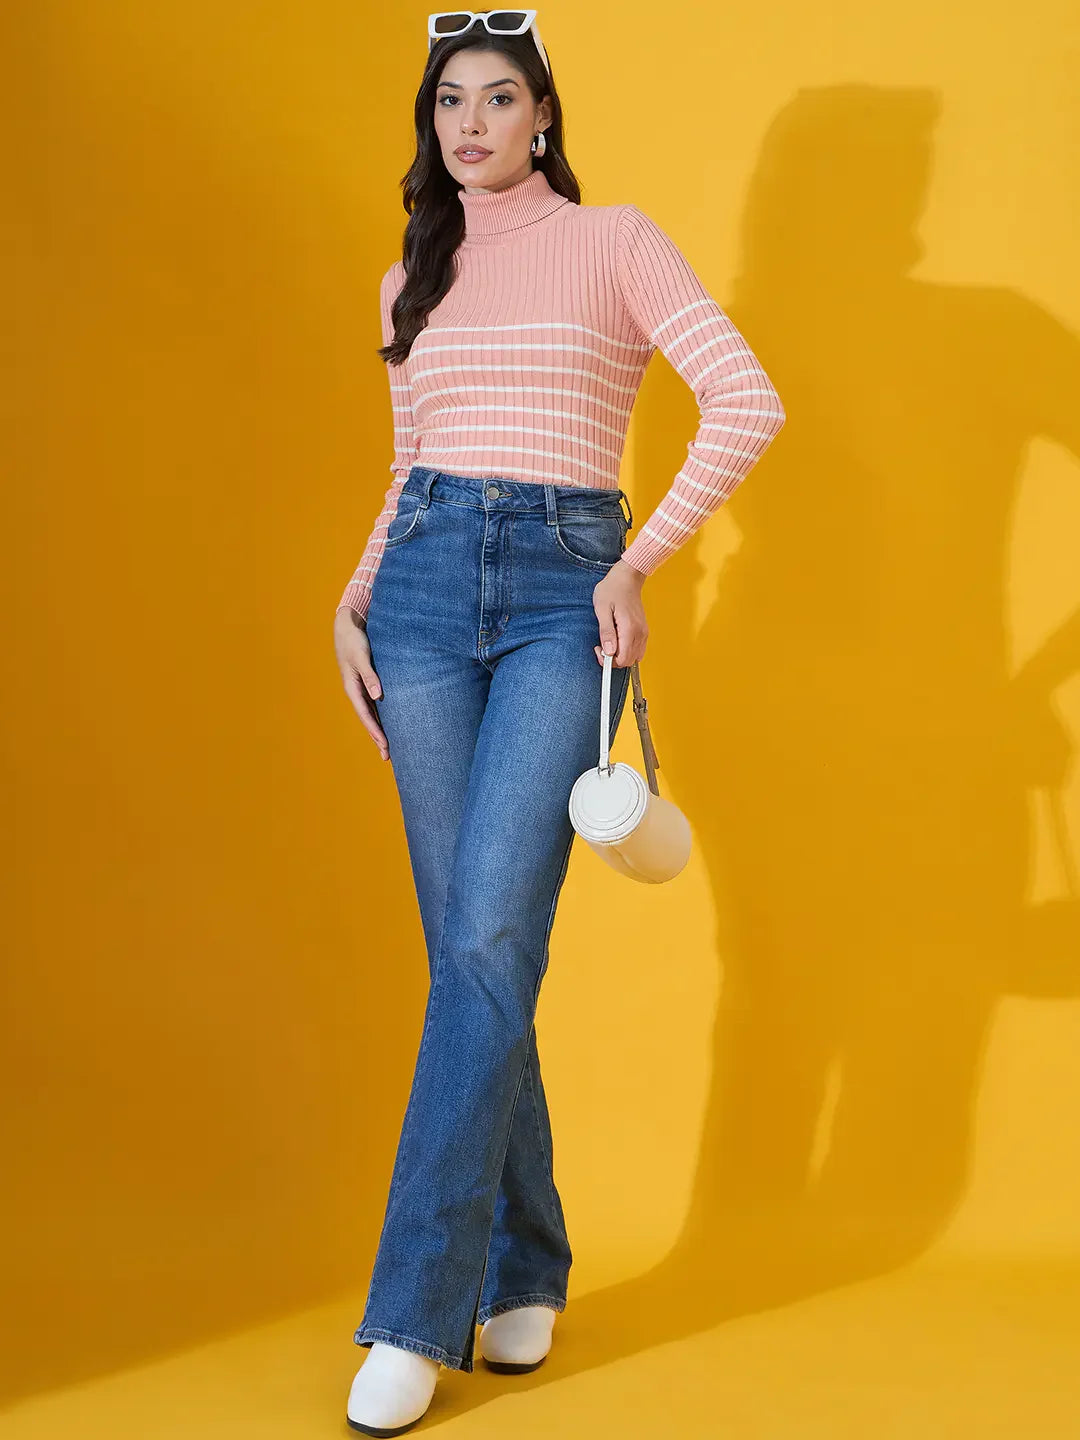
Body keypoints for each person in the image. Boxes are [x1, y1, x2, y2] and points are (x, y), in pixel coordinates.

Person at [333, 11, 786, 1434]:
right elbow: (410, 462)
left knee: (485, 940)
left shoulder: (615, 240)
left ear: (544, 116)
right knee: (469, 944)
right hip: (413, 601)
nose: (472, 124)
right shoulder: (415, 272)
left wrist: (636, 561)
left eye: (500, 98)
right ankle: (525, 1261)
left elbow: (745, 397)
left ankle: (415, 1314)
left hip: (559, 594)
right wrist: (350, 605)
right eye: (451, 101)